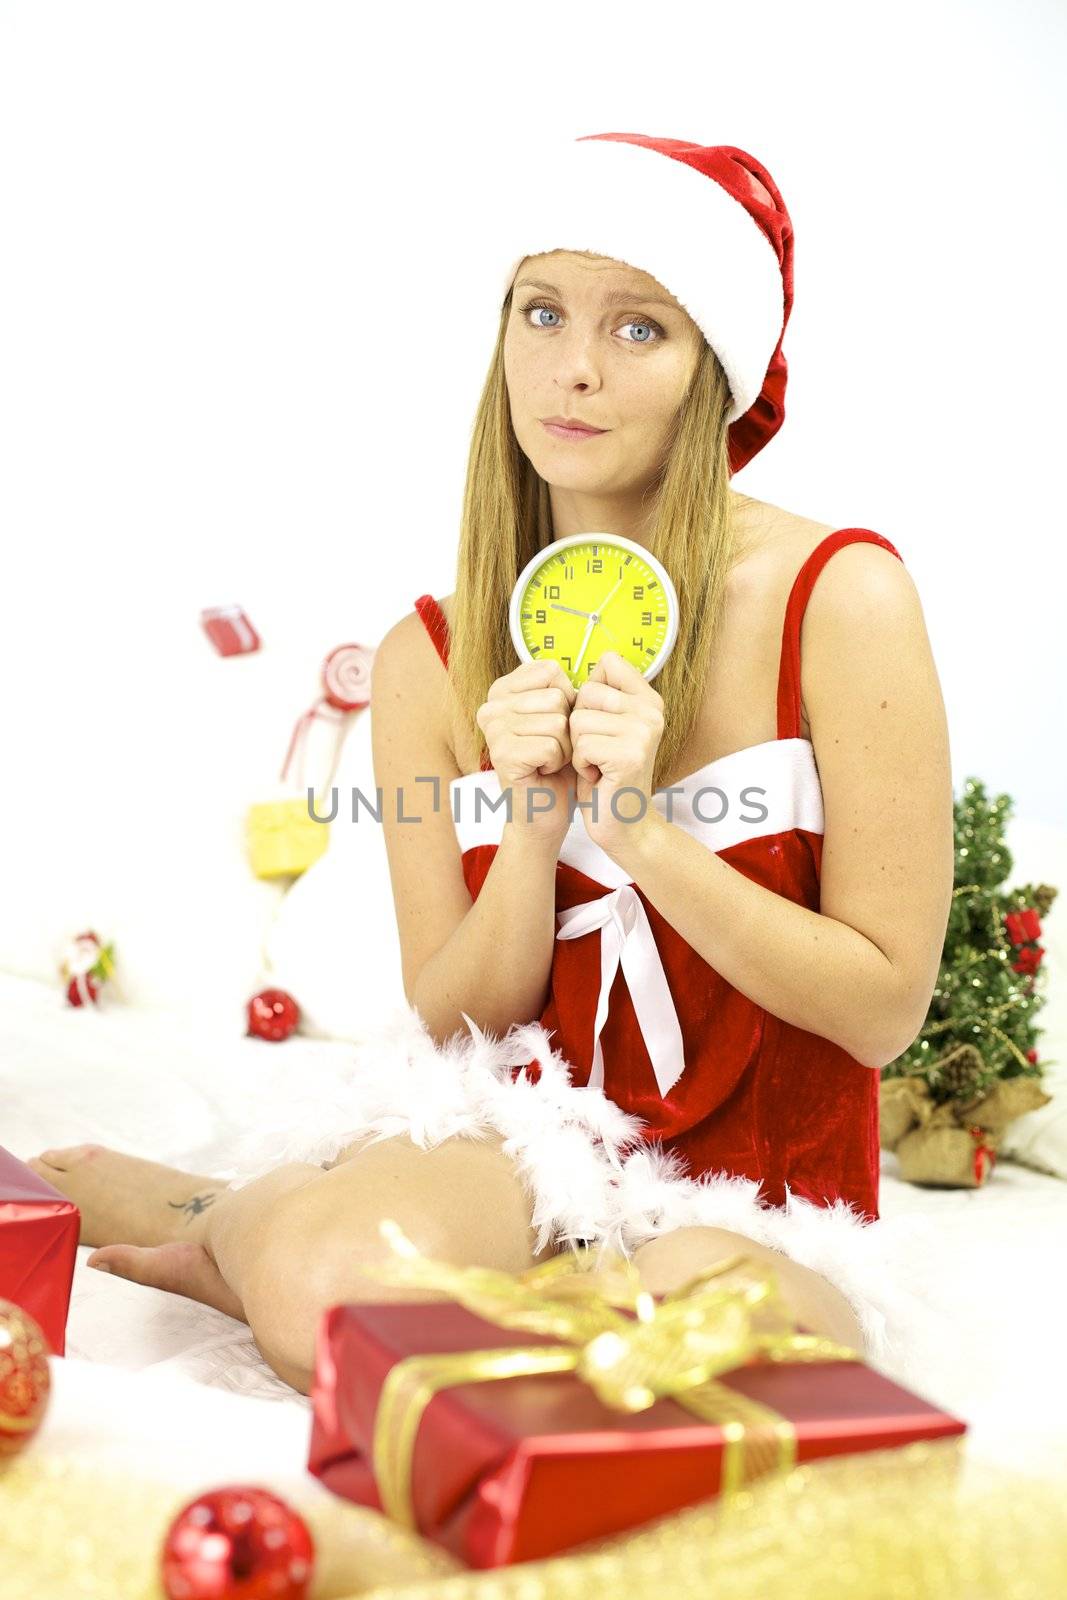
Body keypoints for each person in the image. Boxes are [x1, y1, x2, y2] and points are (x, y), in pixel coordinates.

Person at [29, 133, 953, 1398]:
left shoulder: (839, 599)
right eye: (542, 312)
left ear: (714, 372)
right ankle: (244, 1225)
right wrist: (531, 830)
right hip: (522, 1136)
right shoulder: (431, 653)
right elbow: (457, 1011)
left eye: (640, 330)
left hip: (760, 1185)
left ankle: (280, 1219)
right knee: (331, 1286)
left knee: (713, 1336)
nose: (572, 369)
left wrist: (641, 836)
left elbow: (883, 1005)